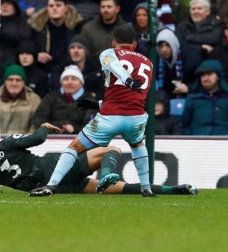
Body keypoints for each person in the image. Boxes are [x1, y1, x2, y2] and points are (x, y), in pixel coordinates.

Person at [30, 25, 156, 197]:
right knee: (138, 145)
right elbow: (127, 97)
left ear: (113, 43)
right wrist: (97, 104)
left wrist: (127, 79)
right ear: (134, 44)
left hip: (109, 118)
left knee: (74, 147)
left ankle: (51, 185)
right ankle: (146, 188)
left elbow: (115, 66)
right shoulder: (148, 62)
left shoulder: (109, 53)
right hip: (135, 118)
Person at [0, 123, 197, 196]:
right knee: (111, 150)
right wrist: (44, 127)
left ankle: (176, 190)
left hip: (50, 187)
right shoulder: (8, 142)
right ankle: (110, 173)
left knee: (118, 191)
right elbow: (37, 139)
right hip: (54, 170)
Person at [181, 59, 228, 135]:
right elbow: (184, 126)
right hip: (198, 140)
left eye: (209, 74)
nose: (205, 78)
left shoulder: (227, 98)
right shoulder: (192, 99)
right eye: (202, 75)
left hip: (224, 140)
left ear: (218, 76)